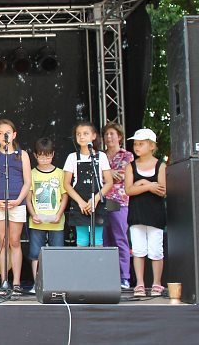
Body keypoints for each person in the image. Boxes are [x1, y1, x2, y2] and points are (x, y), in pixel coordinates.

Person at [0, 119, 31, 295]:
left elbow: (27, 182)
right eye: (0, 133)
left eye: (8, 132)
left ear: (14, 135)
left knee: (15, 241)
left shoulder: (22, 155)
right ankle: (4, 280)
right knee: (2, 241)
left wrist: (18, 200)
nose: (4, 136)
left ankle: (17, 282)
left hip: (17, 203)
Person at [124, 128, 167, 297]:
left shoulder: (160, 166)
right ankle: (140, 284)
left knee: (156, 250)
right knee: (138, 250)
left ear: (151, 146)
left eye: (141, 144)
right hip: (137, 214)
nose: (137, 147)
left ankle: (157, 283)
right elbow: (128, 190)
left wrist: (140, 184)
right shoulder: (130, 166)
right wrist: (148, 185)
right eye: (135, 144)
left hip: (155, 214)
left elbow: (162, 190)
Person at [26, 138, 67, 294]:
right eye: (41, 156)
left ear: (53, 154)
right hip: (37, 221)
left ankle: (56, 284)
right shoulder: (31, 174)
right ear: (35, 155)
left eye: (48, 156)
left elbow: (64, 196)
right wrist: (33, 214)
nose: (44, 159)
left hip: (56, 220)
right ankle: (37, 283)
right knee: (35, 254)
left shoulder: (60, 173)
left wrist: (59, 214)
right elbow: (28, 198)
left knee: (57, 253)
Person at [63, 121, 113, 247]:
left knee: (97, 240)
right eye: (78, 134)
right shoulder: (72, 157)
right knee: (82, 240)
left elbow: (109, 182)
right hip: (79, 203)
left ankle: (98, 261)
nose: (81, 137)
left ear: (94, 136)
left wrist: (96, 199)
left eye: (85, 133)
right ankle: (82, 261)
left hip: (97, 203)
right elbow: (66, 184)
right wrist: (80, 202)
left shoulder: (101, 156)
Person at [102, 122, 134, 289]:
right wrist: (109, 174)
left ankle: (125, 277)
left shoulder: (127, 155)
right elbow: (95, 175)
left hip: (120, 201)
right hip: (102, 201)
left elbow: (122, 176)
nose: (109, 137)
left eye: (112, 134)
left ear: (119, 136)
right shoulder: (100, 156)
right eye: (106, 134)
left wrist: (107, 174)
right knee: (104, 240)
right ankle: (108, 276)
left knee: (120, 238)